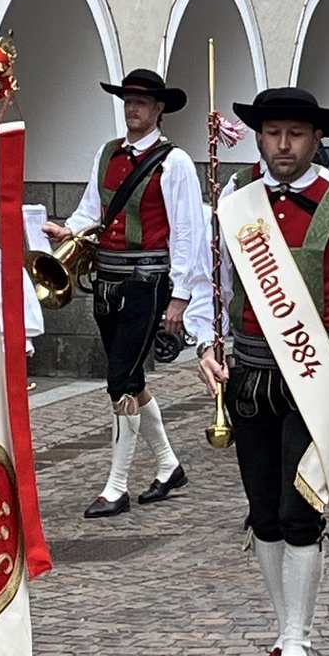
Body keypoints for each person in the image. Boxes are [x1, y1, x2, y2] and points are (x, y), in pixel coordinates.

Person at [187, 86, 329, 656]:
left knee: (300, 510)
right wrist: (206, 342)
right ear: (258, 137)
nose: (283, 145)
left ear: (316, 140)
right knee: (262, 514)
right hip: (251, 376)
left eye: (296, 135)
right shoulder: (235, 202)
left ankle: (298, 641)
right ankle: (282, 629)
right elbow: (211, 279)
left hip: (316, 377)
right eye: (273, 133)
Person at [45, 69, 205, 519]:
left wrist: (181, 297)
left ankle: (116, 487)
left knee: (118, 379)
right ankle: (169, 465)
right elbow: (89, 211)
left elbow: (188, 233)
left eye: (142, 102)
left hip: (148, 282)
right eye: (128, 101)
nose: (133, 108)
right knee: (131, 379)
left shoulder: (175, 163)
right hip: (107, 280)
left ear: (159, 110)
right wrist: (68, 231)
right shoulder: (106, 153)